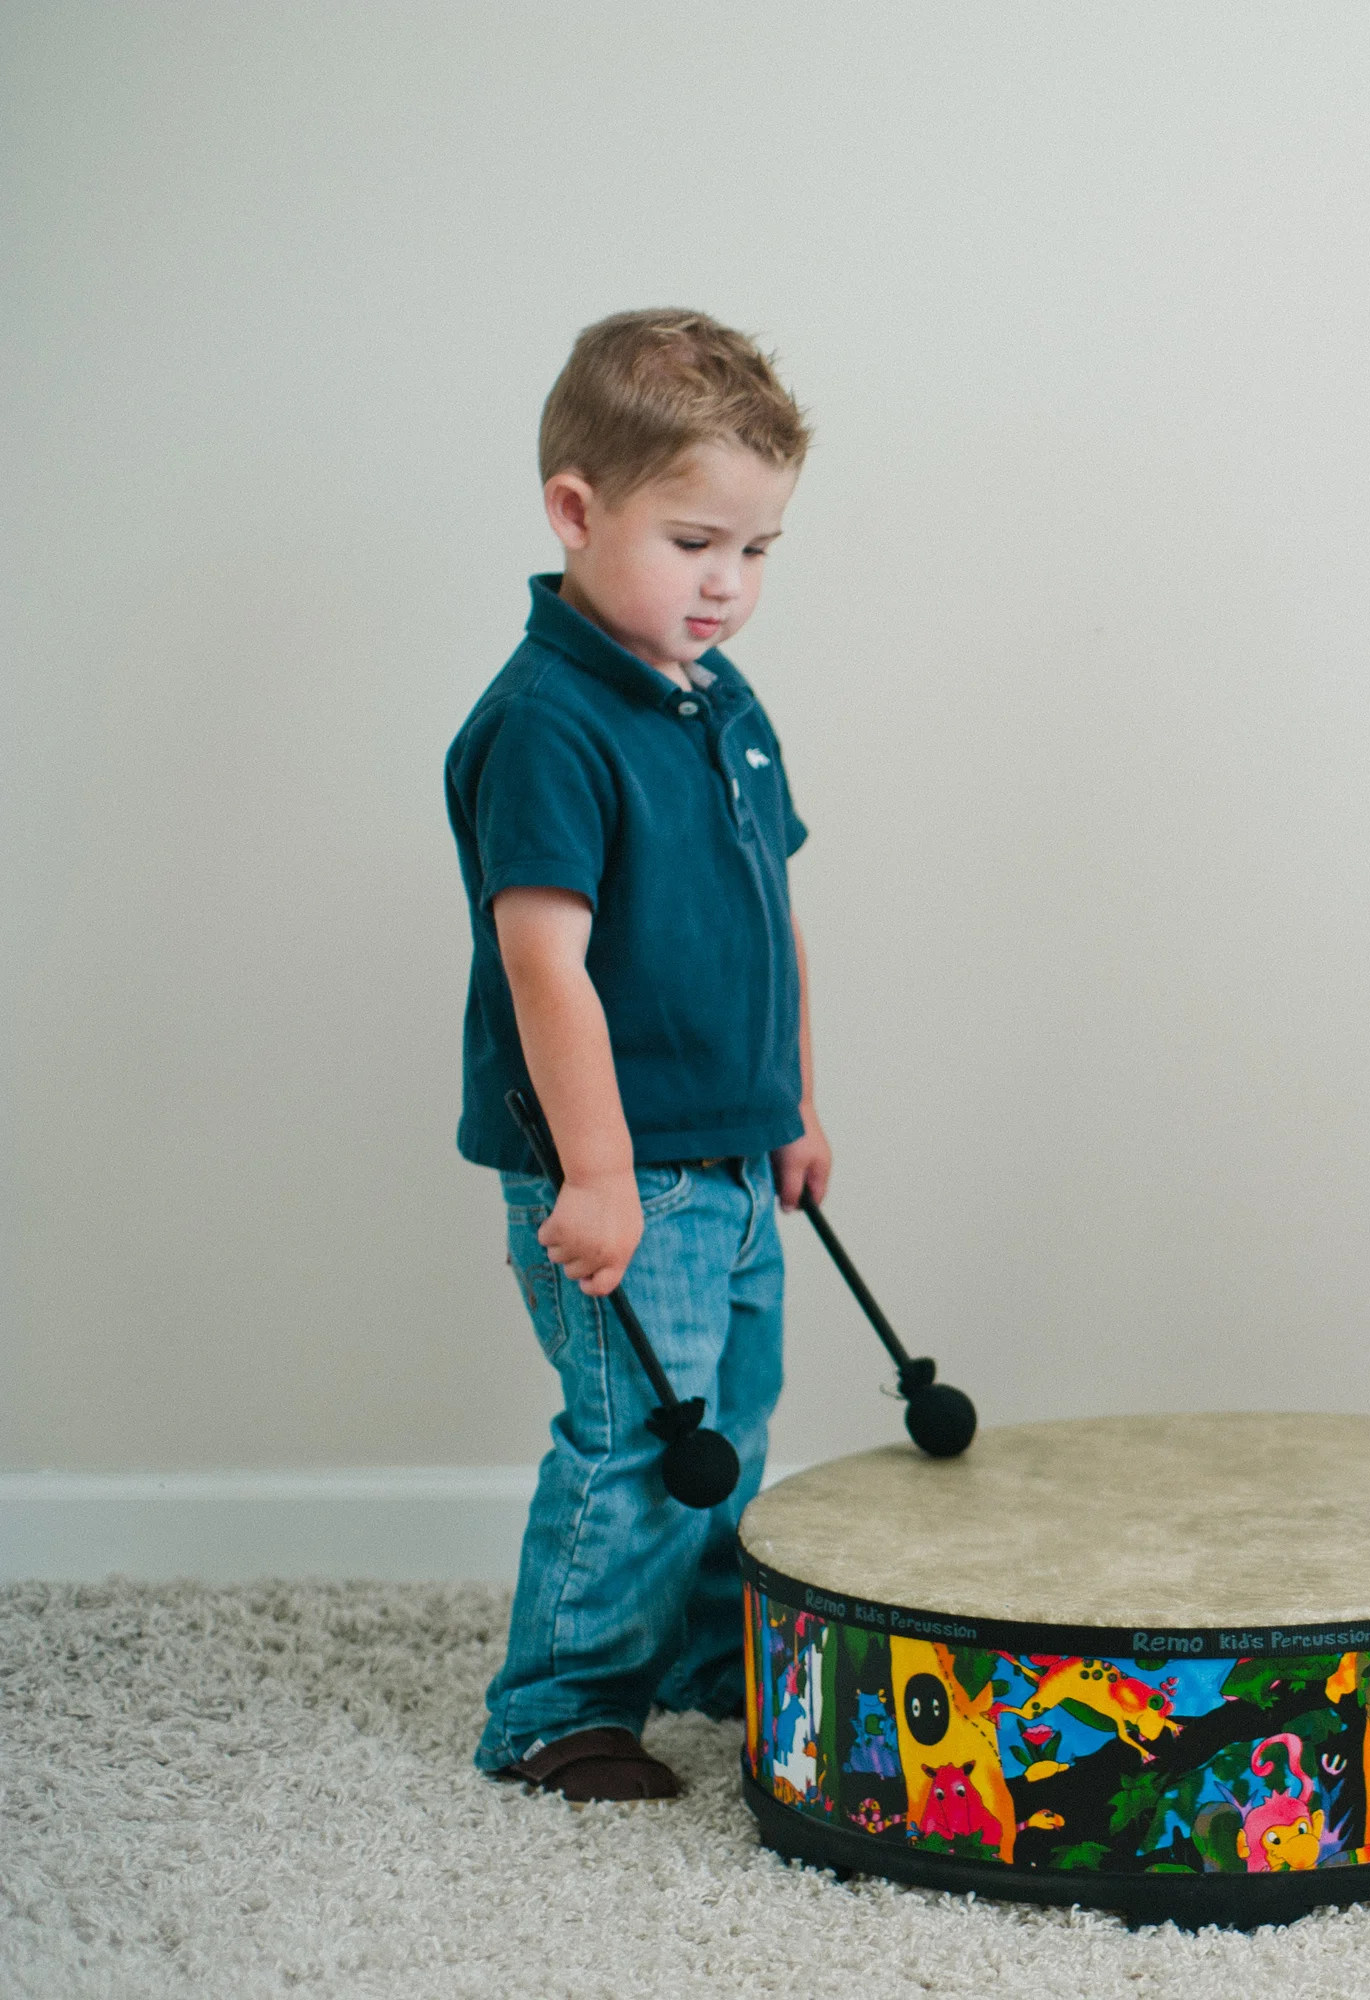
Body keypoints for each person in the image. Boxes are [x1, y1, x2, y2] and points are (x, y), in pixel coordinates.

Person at [444, 309, 828, 1802]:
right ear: (576, 511)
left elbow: (771, 908)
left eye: (759, 549)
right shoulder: (545, 724)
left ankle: (696, 1647)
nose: (727, 583)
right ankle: (555, 1706)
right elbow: (544, 963)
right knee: (633, 1439)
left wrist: (793, 1101)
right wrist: (596, 1174)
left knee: (731, 1422)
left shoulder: (719, 699)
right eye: (693, 542)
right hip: (624, 1178)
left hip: (728, 1154)